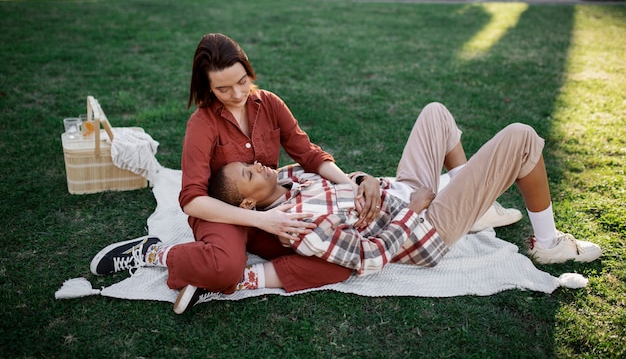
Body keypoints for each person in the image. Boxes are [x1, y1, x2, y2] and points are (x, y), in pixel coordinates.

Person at [89, 34, 520, 314]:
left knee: (336, 263)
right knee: (224, 268)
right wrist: (261, 219)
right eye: (224, 89)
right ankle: (156, 254)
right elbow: (192, 198)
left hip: (272, 210)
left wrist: (352, 184)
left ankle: (245, 277)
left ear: (248, 71)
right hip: (224, 209)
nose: (237, 94)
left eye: (242, 81)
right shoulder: (201, 125)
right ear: (207, 89)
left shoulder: (268, 104)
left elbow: (309, 156)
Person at [206, 103, 602, 276]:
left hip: (401, 191)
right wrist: (416, 209)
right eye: (248, 173)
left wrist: (367, 181)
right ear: (247, 202)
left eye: (249, 163)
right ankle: (548, 244)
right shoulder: (295, 225)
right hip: (424, 227)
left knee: (436, 114)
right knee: (521, 137)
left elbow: (350, 180)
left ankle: (477, 209)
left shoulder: (291, 180)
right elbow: (369, 257)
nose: (257, 164)